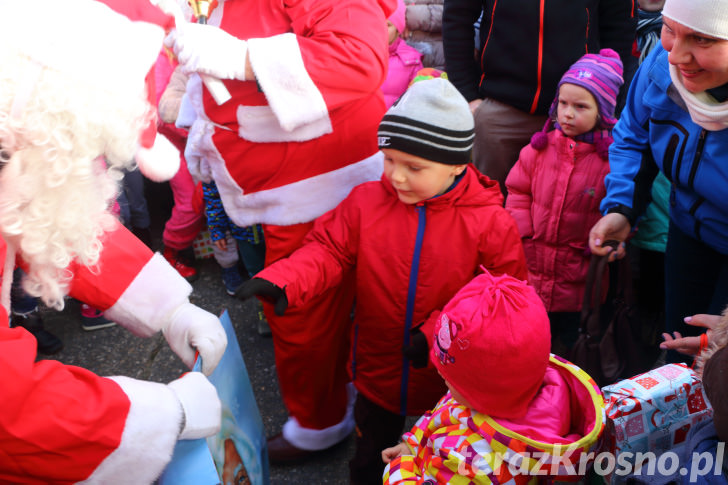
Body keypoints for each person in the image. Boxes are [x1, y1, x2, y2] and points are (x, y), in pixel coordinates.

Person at [237, 78, 528, 483]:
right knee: (371, 454)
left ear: (457, 164)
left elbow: (503, 297)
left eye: (414, 167)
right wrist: (283, 280)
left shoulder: (490, 223)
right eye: (389, 159)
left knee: (441, 457)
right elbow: (329, 250)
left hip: (450, 376)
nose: (396, 177)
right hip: (377, 366)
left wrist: (437, 332)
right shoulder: (365, 202)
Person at [0, 1, 228, 482]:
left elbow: (58, 222)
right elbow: (9, 412)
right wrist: (164, 414)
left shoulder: (15, 161)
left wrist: (169, 308)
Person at [163, 0, 397, 460]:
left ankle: (320, 424)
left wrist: (241, 58)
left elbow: (357, 58)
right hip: (281, 188)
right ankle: (333, 401)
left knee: (300, 313)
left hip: (313, 190)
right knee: (312, 310)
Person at [588, 0, 728, 365]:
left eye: (700, 38)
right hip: (689, 232)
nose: (677, 55)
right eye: (670, 29)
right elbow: (634, 133)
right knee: (679, 347)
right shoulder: (660, 69)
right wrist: (623, 207)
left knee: (718, 363)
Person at [381, 270, 605, 484]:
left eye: (452, 375)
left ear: (486, 390)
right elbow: (447, 412)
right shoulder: (514, 391)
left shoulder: (474, 464)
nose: (440, 372)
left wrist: (401, 465)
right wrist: (413, 444)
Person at [442, 0, 636, 196]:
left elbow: (620, 27)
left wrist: (607, 99)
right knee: (485, 208)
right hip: (498, 109)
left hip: (577, 109)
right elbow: (457, 17)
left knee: (565, 215)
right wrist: (467, 94)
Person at [505, 49, 624, 356]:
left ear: (603, 112)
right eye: (564, 104)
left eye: (581, 106)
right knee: (532, 339)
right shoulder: (538, 150)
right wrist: (523, 231)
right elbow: (518, 190)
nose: (568, 113)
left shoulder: (610, 162)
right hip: (534, 263)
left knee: (572, 344)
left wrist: (612, 242)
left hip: (581, 274)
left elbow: (621, 208)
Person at [382, 0, 424, 108]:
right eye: (377, 22)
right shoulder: (360, 54)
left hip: (392, 122)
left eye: (388, 25)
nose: (381, 29)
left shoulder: (411, 61)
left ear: (398, 29)